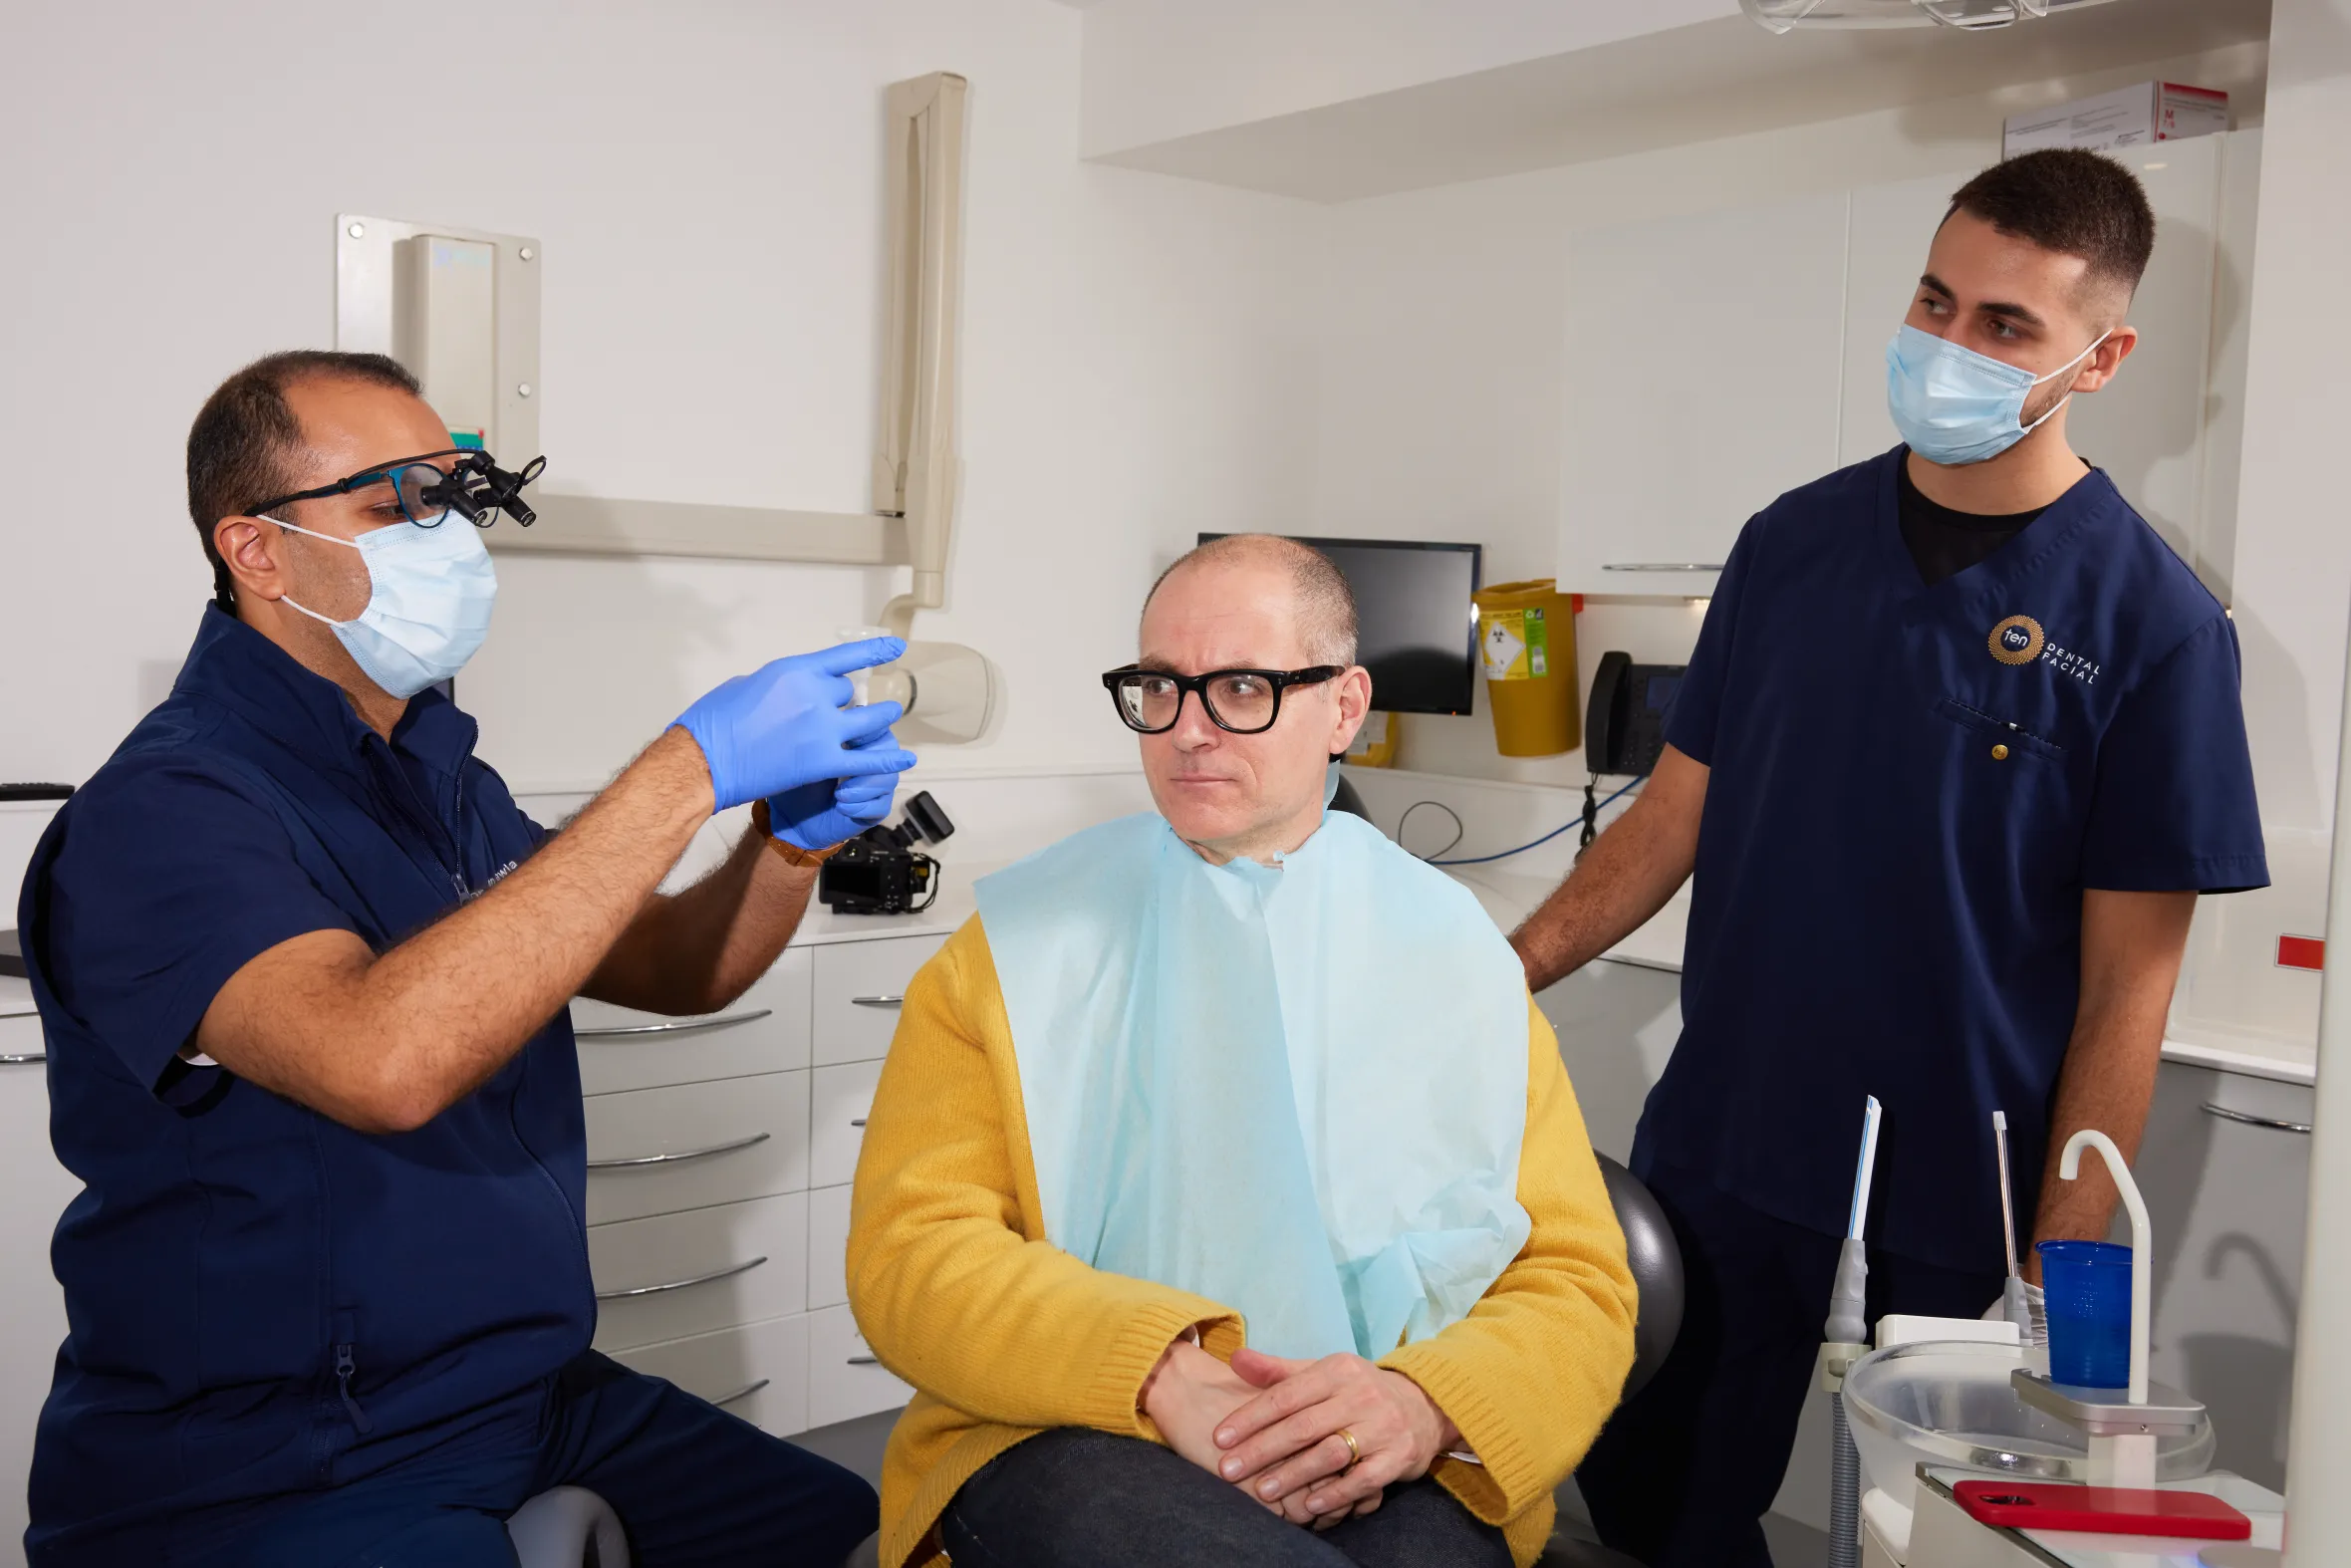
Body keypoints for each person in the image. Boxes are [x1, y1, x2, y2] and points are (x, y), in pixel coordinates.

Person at [15, 350, 911, 1567]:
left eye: (452, 496)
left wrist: (785, 846)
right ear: (256, 551)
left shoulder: (438, 778)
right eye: (397, 501)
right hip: (274, 1458)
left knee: (868, 1535)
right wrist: (687, 769)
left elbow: (677, 968)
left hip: (520, 1397)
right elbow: (381, 1061)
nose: (444, 536)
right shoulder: (164, 809)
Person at [1510, 149, 2269, 1565]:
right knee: (1653, 1504)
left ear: (2100, 358)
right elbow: (1671, 816)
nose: (1947, 345)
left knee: (1921, 1535)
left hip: (1955, 1190)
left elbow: (2127, 990)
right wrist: (1494, 976)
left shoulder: (2156, 629)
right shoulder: (1789, 544)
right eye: (1934, 300)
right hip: (1728, 1140)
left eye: (2003, 325)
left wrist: (2059, 1275)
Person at [845, 534, 1638, 1568]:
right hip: (1062, 1425)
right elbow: (913, 1254)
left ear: (1344, 707)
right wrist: (1160, 1372)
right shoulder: (1011, 953)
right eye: (1159, 687)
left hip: (1383, 1427)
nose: (1187, 730)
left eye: (1242, 688)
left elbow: (1574, 1278)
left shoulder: (1456, 959)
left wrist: (1425, 1402)